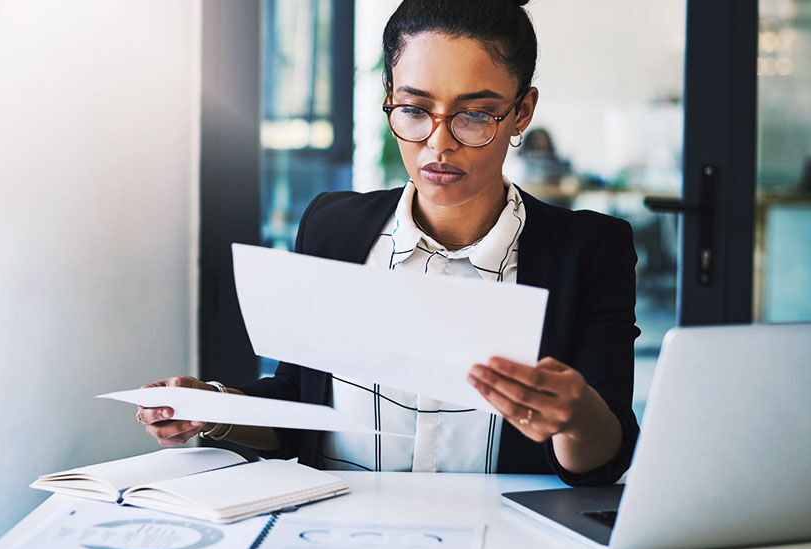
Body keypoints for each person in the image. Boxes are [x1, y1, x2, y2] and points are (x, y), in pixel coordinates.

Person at [137, 0, 640, 486]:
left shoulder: (591, 250)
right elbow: (300, 401)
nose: (439, 143)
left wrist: (575, 419)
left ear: (522, 111)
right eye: (416, 109)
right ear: (388, 99)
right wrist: (214, 408)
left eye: (475, 115)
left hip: (502, 547)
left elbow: (604, 461)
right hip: (340, 536)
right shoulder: (333, 227)